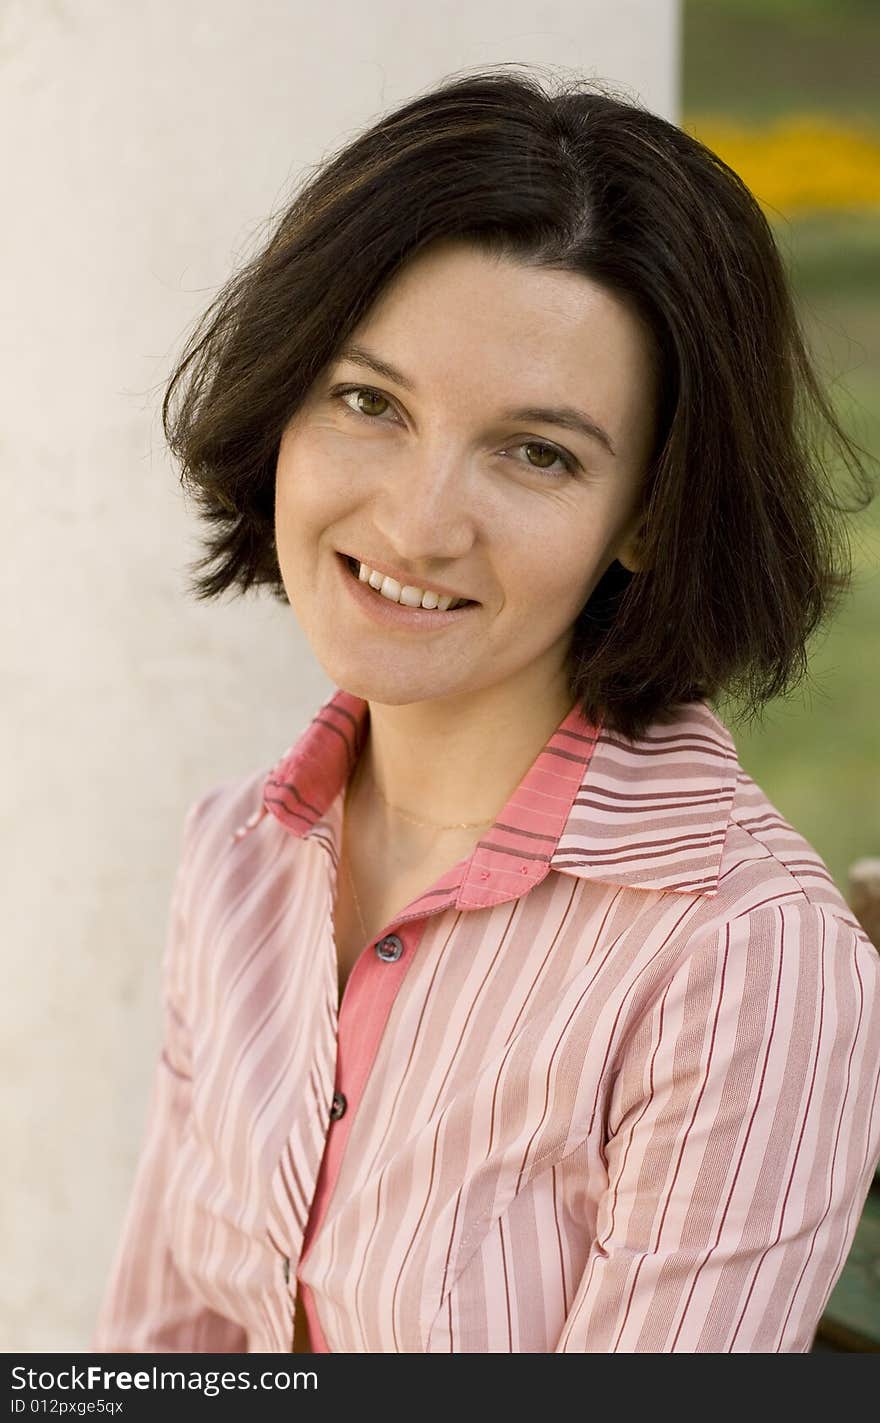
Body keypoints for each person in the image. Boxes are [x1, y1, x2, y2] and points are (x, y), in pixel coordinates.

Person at [91, 65, 880, 1354]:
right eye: (368, 402)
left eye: (538, 452)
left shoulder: (738, 958)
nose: (417, 520)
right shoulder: (241, 853)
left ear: (650, 517)